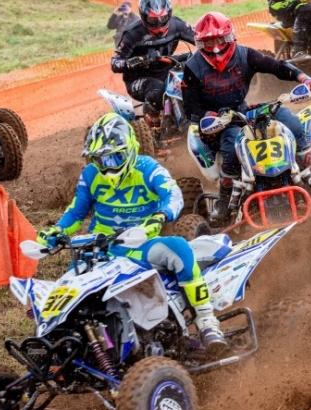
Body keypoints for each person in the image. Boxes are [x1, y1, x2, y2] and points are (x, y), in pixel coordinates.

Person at [37, 113, 227, 355]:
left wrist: (160, 216)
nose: (108, 166)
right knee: (67, 290)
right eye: (100, 159)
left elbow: (173, 195)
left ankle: (206, 320)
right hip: (99, 249)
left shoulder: (148, 168)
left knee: (179, 248)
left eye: (114, 157)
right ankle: (61, 344)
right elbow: (75, 213)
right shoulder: (91, 174)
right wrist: (57, 230)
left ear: (129, 150)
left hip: (141, 244)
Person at [181, 12, 311, 217]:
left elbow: (276, 66)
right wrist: (207, 115)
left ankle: (308, 175)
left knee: (291, 122)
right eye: (209, 43)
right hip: (217, 123)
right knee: (232, 144)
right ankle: (226, 198)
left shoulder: (244, 55)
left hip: (242, 110)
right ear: (200, 44)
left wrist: (302, 76)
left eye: (220, 40)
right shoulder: (192, 67)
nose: (216, 48)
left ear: (229, 37)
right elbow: (190, 108)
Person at [111, 0, 195, 123]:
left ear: (169, 14)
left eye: (163, 18)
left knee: (192, 82)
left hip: (166, 72)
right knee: (158, 91)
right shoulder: (133, 34)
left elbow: (201, 39)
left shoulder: (177, 25)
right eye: (152, 20)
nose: (159, 25)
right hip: (137, 78)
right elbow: (115, 63)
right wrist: (136, 61)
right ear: (143, 17)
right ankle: (152, 118)